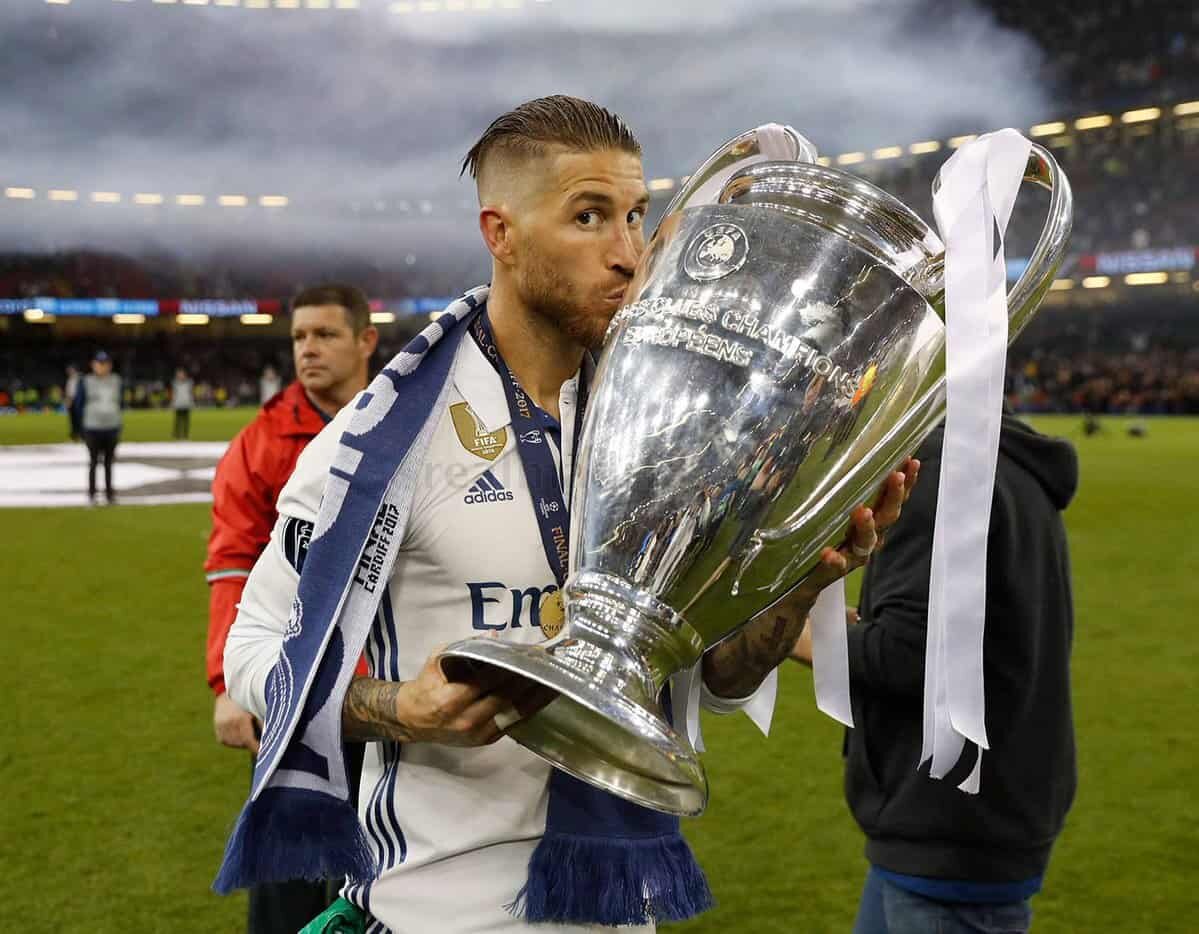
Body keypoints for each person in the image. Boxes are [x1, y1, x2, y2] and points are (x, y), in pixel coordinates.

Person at [220, 96, 914, 934]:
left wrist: (799, 583)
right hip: (438, 912)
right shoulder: (380, 442)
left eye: (635, 215)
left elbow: (717, 679)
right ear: (501, 234)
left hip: (622, 911)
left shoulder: (676, 430)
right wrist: (401, 708)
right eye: (588, 217)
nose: (627, 253)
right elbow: (254, 653)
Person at [790, 413, 1078, 934]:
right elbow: (954, 631)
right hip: (978, 812)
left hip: (950, 826)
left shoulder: (938, 466)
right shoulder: (997, 453)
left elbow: (906, 655)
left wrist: (783, 634)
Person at [205, 283, 378, 934]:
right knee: (289, 886)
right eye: (300, 337)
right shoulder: (260, 444)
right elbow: (232, 564)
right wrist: (228, 684)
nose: (308, 349)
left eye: (325, 335)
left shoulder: (413, 423)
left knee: (397, 881)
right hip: (294, 693)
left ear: (366, 341)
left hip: (392, 689)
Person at [72, 350, 123, 505]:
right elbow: (78, 405)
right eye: (99, 363)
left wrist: (118, 424)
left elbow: (119, 403)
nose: (102, 366)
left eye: (105, 363)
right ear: (93, 365)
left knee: (109, 463)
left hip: (111, 427)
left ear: (110, 365)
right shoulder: (86, 381)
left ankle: (109, 493)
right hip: (92, 427)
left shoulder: (116, 380)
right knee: (93, 462)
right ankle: (92, 493)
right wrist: (79, 428)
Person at [172, 367, 195, 440]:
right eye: (179, 374)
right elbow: (174, 394)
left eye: (181, 374)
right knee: (177, 420)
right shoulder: (175, 383)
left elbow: (191, 394)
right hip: (178, 404)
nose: (180, 376)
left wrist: (192, 402)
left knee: (186, 421)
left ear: (184, 375)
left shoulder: (189, 383)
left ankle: (185, 435)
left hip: (186, 404)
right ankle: (177, 435)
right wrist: (173, 403)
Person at [64, 364, 81, 441]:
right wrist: (67, 401)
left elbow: (75, 391)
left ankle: (79, 434)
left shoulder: (78, 378)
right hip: (71, 401)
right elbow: (68, 391)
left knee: (78, 419)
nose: (68, 371)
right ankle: (74, 434)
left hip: (77, 401)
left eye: (70, 370)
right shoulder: (70, 379)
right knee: (72, 419)